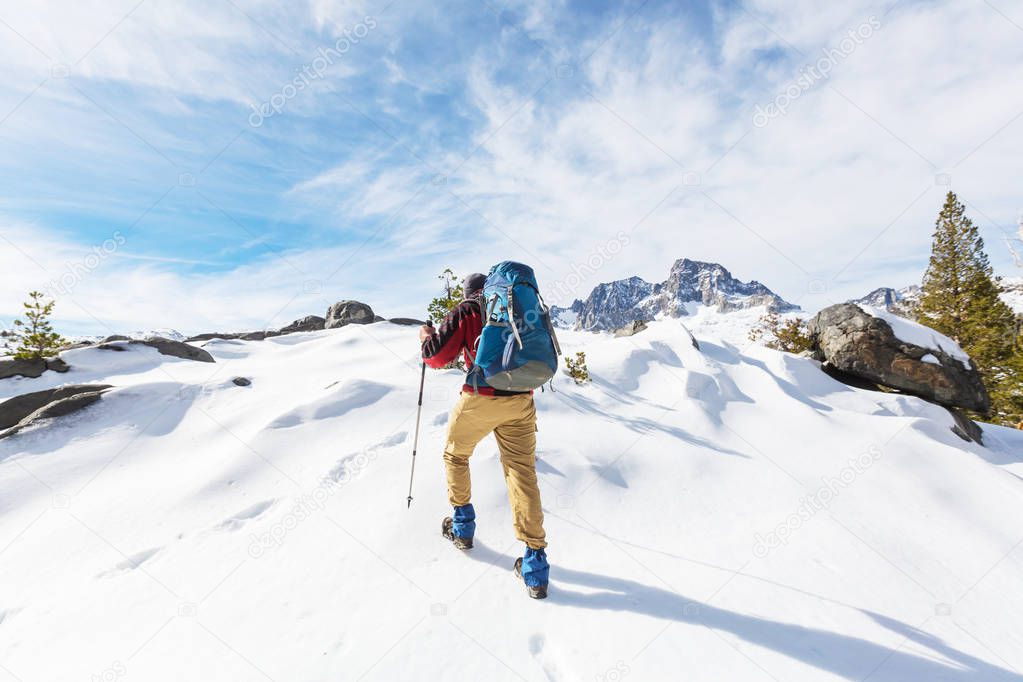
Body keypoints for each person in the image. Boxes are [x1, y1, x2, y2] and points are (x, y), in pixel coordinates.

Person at [420, 272, 550, 599]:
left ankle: (462, 528)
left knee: (455, 454)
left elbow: (436, 357)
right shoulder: (519, 307)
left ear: (468, 293)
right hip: (521, 399)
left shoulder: (466, 311)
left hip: (481, 398)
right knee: (521, 471)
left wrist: (426, 336)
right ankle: (535, 565)